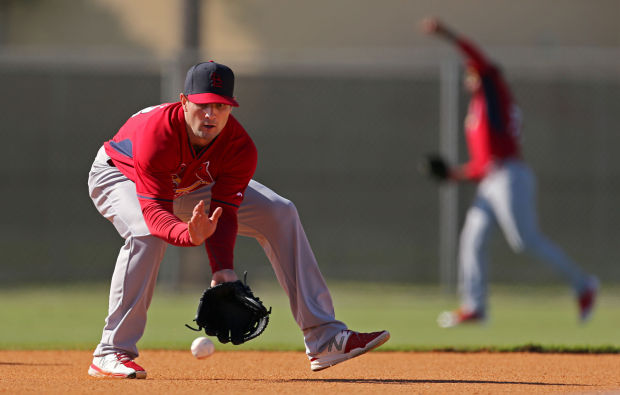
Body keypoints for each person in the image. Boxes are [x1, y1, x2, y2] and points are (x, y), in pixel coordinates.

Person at [86, 61, 389, 379]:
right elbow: (156, 213)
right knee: (145, 234)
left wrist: (222, 270)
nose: (211, 115)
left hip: (187, 185)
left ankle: (324, 337)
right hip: (119, 175)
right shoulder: (157, 135)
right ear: (184, 101)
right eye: (203, 104)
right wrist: (190, 235)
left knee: (279, 212)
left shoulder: (239, 147)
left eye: (220, 106)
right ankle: (111, 350)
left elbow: (224, 211)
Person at [420, 18, 599, 328]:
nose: (468, 75)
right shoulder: (478, 108)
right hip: (493, 179)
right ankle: (475, 306)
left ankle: (584, 285)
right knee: (472, 239)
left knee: (524, 240)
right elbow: (482, 165)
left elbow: (477, 57)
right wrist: (452, 175)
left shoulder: (493, 88)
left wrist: (446, 33)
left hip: (510, 176)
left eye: (470, 72)